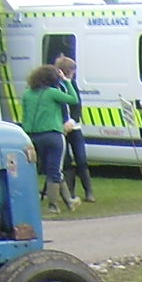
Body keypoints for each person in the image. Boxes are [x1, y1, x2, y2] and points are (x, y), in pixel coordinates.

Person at [20, 63, 75, 213]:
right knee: (55, 170)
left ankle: (70, 201)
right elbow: (73, 99)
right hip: (53, 134)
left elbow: (24, 115)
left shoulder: (27, 94)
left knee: (38, 169)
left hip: (32, 136)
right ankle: (53, 205)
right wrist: (67, 82)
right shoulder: (52, 92)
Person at [51, 55, 94, 202]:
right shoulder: (54, 86)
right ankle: (71, 193)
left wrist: (72, 120)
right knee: (67, 162)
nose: (73, 73)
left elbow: (77, 105)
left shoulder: (72, 84)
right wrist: (63, 124)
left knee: (81, 159)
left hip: (74, 127)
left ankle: (89, 192)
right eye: (72, 70)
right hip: (61, 128)